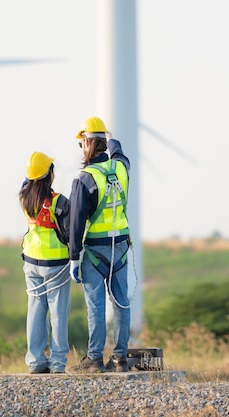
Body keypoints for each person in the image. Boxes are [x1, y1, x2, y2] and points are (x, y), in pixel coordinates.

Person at [68, 116, 132, 373]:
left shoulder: (85, 179)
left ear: (86, 143)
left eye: (82, 142)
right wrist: (110, 137)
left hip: (95, 250)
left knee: (95, 306)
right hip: (122, 249)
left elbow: (76, 222)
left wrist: (74, 257)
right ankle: (120, 358)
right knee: (121, 303)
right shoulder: (121, 167)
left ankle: (94, 359)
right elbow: (119, 153)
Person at [19, 151, 71, 374]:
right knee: (58, 313)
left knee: (35, 311)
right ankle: (57, 362)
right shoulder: (59, 202)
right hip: (56, 265)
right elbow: (71, 231)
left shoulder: (24, 198)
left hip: (31, 262)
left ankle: (36, 361)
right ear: (49, 174)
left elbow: (26, 183)